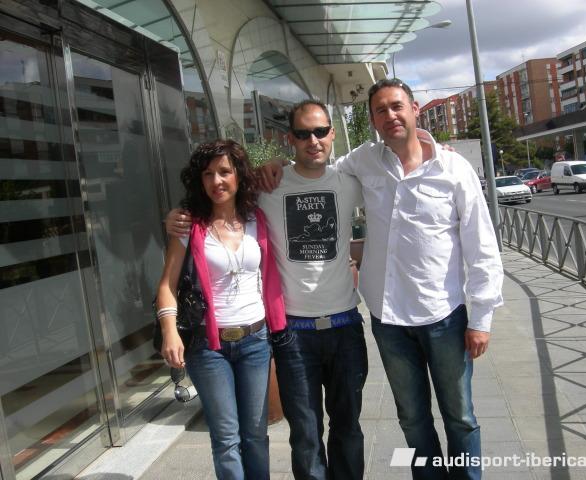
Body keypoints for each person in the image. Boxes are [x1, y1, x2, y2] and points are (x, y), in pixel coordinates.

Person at [261, 79, 504, 480]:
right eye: (380, 110)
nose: (390, 115)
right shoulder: (363, 162)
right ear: (372, 120)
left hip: (444, 316)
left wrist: (482, 318)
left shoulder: (453, 168)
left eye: (397, 106)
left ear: (414, 109)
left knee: (460, 417)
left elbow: (482, 247)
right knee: (411, 419)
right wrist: (272, 163)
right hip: (388, 321)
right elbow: (313, 168)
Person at [165, 100, 368, 480]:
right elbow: (223, 191)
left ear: (332, 134)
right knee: (305, 435)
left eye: (320, 131)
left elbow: (395, 177)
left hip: (345, 327)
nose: (313, 140)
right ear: (290, 138)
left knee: (348, 428)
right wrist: (177, 217)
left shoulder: (349, 182)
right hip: (293, 335)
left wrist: (433, 151)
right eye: (303, 133)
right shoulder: (267, 187)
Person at [156, 139, 286, 480]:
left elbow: (289, 164)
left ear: (239, 175)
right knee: (226, 438)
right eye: (208, 174)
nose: (217, 181)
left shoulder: (257, 218)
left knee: (255, 434)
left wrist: (277, 159)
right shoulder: (189, 225)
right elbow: (167, 285)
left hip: (256, 342)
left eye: (225, 172)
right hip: (207, 346)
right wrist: (170, 332)